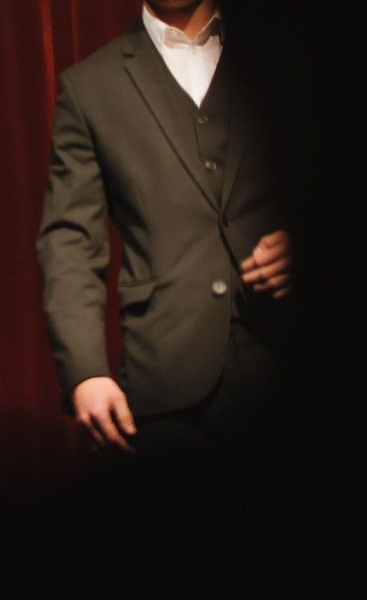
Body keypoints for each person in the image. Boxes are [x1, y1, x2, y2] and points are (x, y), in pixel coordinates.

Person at [37, 0, 290, 460]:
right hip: (170, 385)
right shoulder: (91, 86)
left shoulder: (284, 55)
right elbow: (70, 241)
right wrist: (86, 371)